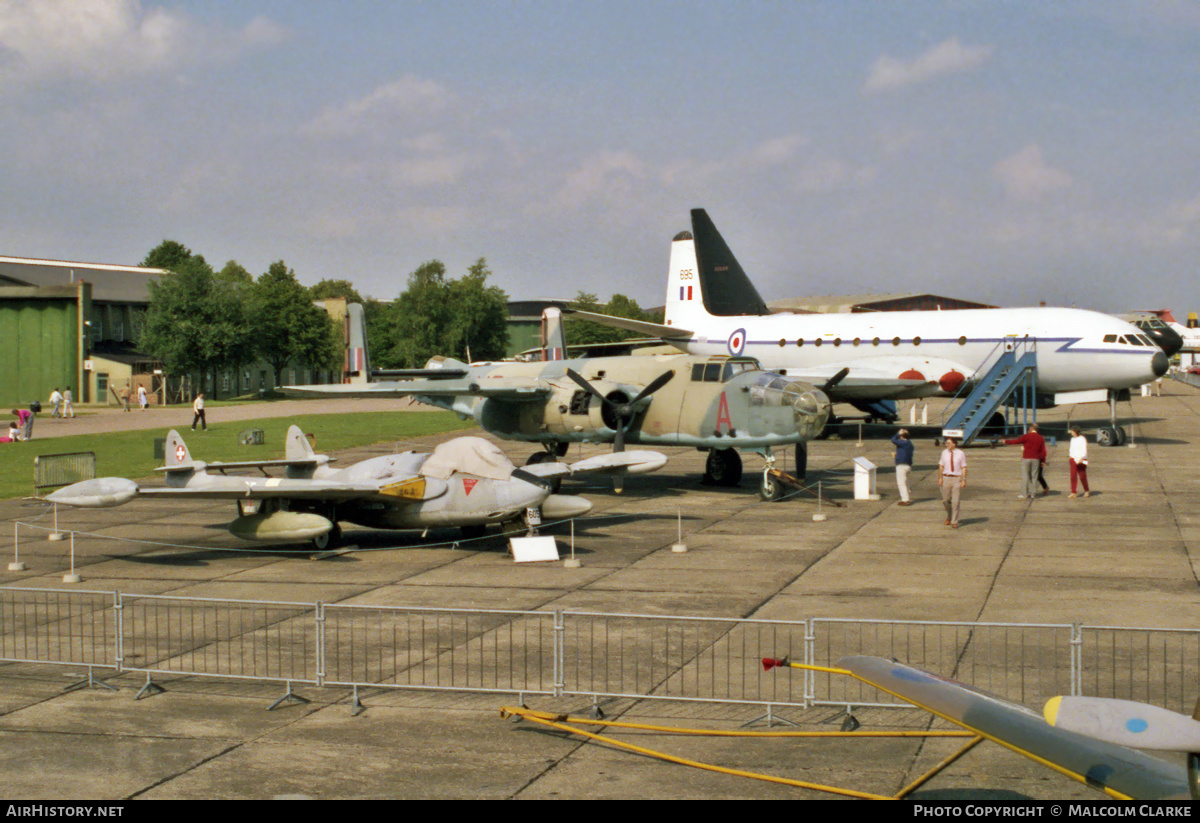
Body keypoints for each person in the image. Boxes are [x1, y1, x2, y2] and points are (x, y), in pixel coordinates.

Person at [1004, 423, 1045, 499]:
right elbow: (1043, 451)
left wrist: (1006, 441)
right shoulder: (1040, 438)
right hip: (1036, 459)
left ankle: (1024, 493)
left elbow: (1016, 441)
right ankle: (1033, 493)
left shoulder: (1026, 436)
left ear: (1031, 429)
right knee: (1034, 476)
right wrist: (1043, 461)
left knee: (1025, 476)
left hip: (1026, 458)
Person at [937, 436, 967, 528]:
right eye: (946, 443)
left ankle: (954, 521)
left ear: (954, 444)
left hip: (956, 479)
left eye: (949, 443)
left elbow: (964, 467)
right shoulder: (944, 453)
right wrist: (940, 478)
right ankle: (949, 516)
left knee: (955, 501)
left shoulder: (961, 453)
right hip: (946, 478)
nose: (947, 444)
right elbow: (941, 466)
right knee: (946, 500)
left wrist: (963, 480)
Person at [891, 428, 914, 505]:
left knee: (901, 483)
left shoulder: (903, 443)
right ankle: (906, 497)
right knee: (905, 482)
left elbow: (893, 440)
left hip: (902, 465)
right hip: (908, 465)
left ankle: (905, 499)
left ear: (902, 436)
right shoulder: (910, 444)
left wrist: (898, 433)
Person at [1068, 426, 1091, 498]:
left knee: (1082, 475)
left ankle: (1086, 490)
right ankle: (1073, 492)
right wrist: (1071, 457)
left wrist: (1082, 457)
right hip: (1073, 459)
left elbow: (1084, 449)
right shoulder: (1072, 439)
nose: (1071, 432)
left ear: (1075, 431)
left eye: (1072, 431)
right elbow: (1071, 449)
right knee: (1073, 475)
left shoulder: (1082, 439)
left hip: (1081, 459)